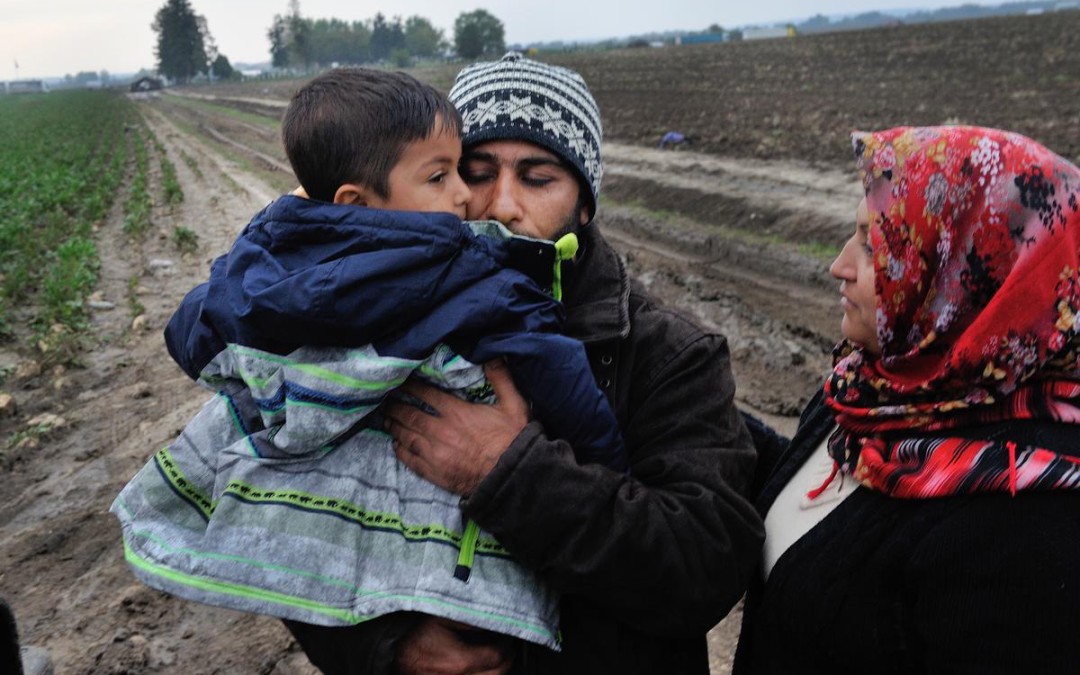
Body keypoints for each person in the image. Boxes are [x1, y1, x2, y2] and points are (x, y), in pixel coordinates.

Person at [111, 67, 629, 652]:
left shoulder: (271, 274)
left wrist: (285, 221)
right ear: (360, 194)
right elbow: (555, 369)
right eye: (462, 173)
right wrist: (606, 462)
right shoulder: (472, 276)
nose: (486, 201)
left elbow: (192, 334)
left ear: (585, 202)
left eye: (537, 178)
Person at [281, 52, 763, 675]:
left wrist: (507, 471)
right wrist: (386, 649)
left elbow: (703, 564)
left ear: (584, 204)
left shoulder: (667, 352)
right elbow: (289, 520)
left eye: (538, 178)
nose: (501, 205)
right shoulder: (372, 324)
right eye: (475, 172)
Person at [734, 125, 1080, 674]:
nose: (840, 266)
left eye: (874, 246)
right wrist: (684, 395)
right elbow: (829, 507)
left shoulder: (1026, 518)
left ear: (969, 273)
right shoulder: (870, 393)